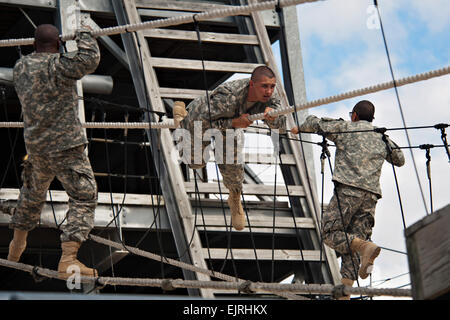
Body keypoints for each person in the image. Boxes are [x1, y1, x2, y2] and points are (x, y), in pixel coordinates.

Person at [0, 24, 100, 278]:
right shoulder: (59, 65)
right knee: (83, 196)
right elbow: (90, 60)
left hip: (37, 147)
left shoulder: (20, 67)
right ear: (58, 45)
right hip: (66, 146)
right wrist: (85, 34)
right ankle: (68, 259)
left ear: (34, 45)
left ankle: (16, 248)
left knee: (32, 196)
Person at [291, 100, 405, 300]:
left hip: (347, 193)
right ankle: (346, 290)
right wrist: (380, 136)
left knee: (329, 232)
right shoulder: (381, 137)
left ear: (354, 116)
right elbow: (400, 159)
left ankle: (365, 249)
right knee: (355, 237)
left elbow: (314, 123)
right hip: (370, 197)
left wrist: (299, 128)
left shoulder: (346, 128)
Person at [178, 66, 286, 231]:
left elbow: (282, 126)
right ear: (252, 85)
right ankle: (179, 113)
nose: (269, 91)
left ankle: (235, 197)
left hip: (230, 127)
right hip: (199, 119)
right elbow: (202, 122)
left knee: (233, 163)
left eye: (272, 86)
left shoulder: (271, 97)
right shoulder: (228, 97)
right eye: (264, 86)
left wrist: (273, 118)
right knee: (195, 163)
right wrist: (234, 123)